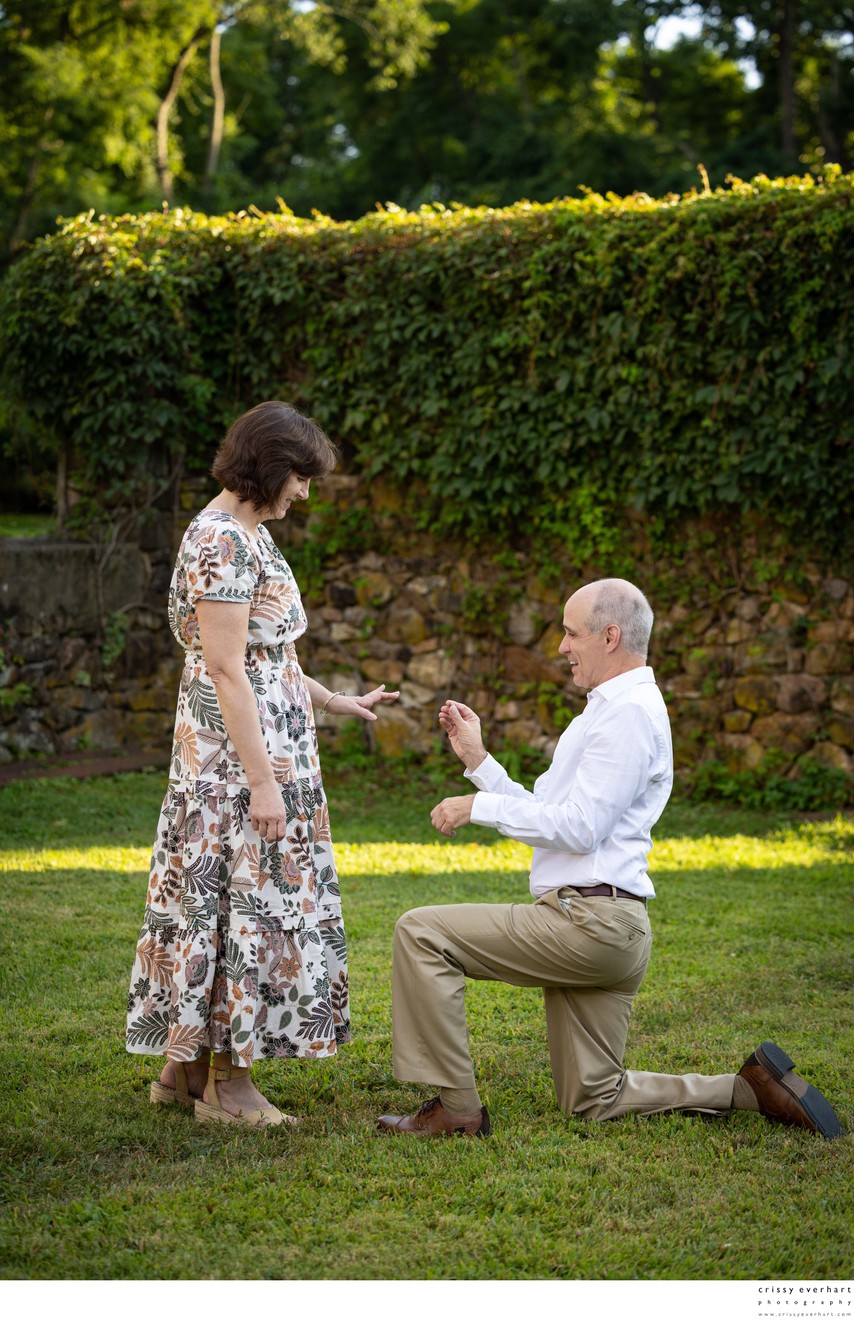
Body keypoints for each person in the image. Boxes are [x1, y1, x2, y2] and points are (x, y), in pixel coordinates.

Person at [377, 578, 842, 1140]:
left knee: (422, 932)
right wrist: (480, 763)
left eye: (572, 633)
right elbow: (555, 815)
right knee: (594, 1097)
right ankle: (745, 1089)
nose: (562, 646)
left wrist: (477, 805)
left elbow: (579, 828)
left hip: (588, 924)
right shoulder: (613, 711)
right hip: (608, 926)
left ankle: (456, 1110)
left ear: (611, 635)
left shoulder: (627, 716)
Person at [127, 400, 399, 1127]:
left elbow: (265, 656)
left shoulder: (246, 533)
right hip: (234, 764)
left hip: (255, 746)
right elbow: (224, 667)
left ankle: (181, 1069)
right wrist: (262, 780)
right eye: (301, 477)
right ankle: (229, 1087)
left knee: (218, 902)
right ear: (271, 467)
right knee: (241, 903)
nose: (306, 492)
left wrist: (334, 699)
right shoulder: (222, 539)